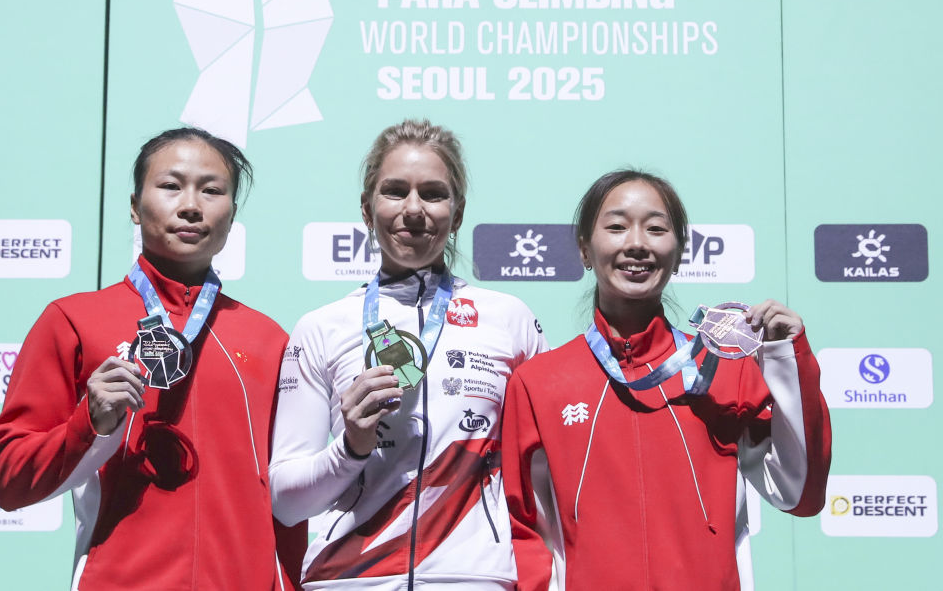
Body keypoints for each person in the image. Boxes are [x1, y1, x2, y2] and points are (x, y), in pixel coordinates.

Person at [0, 128, 304, 591]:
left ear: (232, 215)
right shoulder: (73, 321)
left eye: (212, 190)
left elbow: (288, 500)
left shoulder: (269, 340)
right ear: (135, 206)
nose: (191, 205)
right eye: (171, 186)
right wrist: (89, 423)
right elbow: (7, 480)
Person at [501, 170, 831, 591]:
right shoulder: (540, 382)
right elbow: (523, 530)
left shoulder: (725, 368)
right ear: (585, 249)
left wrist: (787, 360)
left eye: (656, 229)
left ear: (679, 252)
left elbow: (799, 494)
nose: (637, 243)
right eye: (617, 227)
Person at [269, 119, 548, 590]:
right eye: (395, 191)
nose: (413, 209)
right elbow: (286, 503)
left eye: (433, 194)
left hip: (470, 578)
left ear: (457, 213)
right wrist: (350, 447)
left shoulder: (510, 320)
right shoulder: (321, 327)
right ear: (367, 208)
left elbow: (544, 481)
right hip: (348, 579)